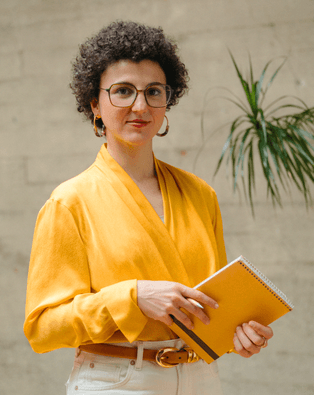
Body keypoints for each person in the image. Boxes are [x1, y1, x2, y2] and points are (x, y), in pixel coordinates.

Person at [24, 21, 273, 395]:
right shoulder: (69, 202)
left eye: (153, 91)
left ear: (166, 102)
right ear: (95, 103)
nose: (140, 105)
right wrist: (134, 297)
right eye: (122, 91)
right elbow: (43, 328)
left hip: (201, 378)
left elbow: (213, 307)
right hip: (117, 380)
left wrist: (240, 333)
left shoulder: (200, 194)